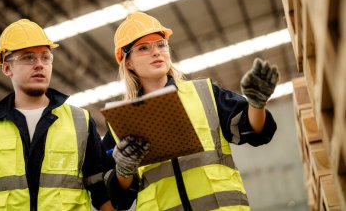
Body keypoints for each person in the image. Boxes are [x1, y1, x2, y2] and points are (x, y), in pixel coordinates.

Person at [103, 12, 280, 211]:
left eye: (161, 44)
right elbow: (117, 199)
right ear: (127, 62)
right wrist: (124, 170)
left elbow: (254, 131)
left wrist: (257, 104)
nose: (156, 52)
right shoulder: (120, 122)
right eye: (143, 48)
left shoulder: (205, 93)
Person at [0, 19, 115, 211]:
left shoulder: (81, 121)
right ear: (6, 68)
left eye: (45, 57)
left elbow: (102, 194)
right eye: (28, 57)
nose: (39, 64)